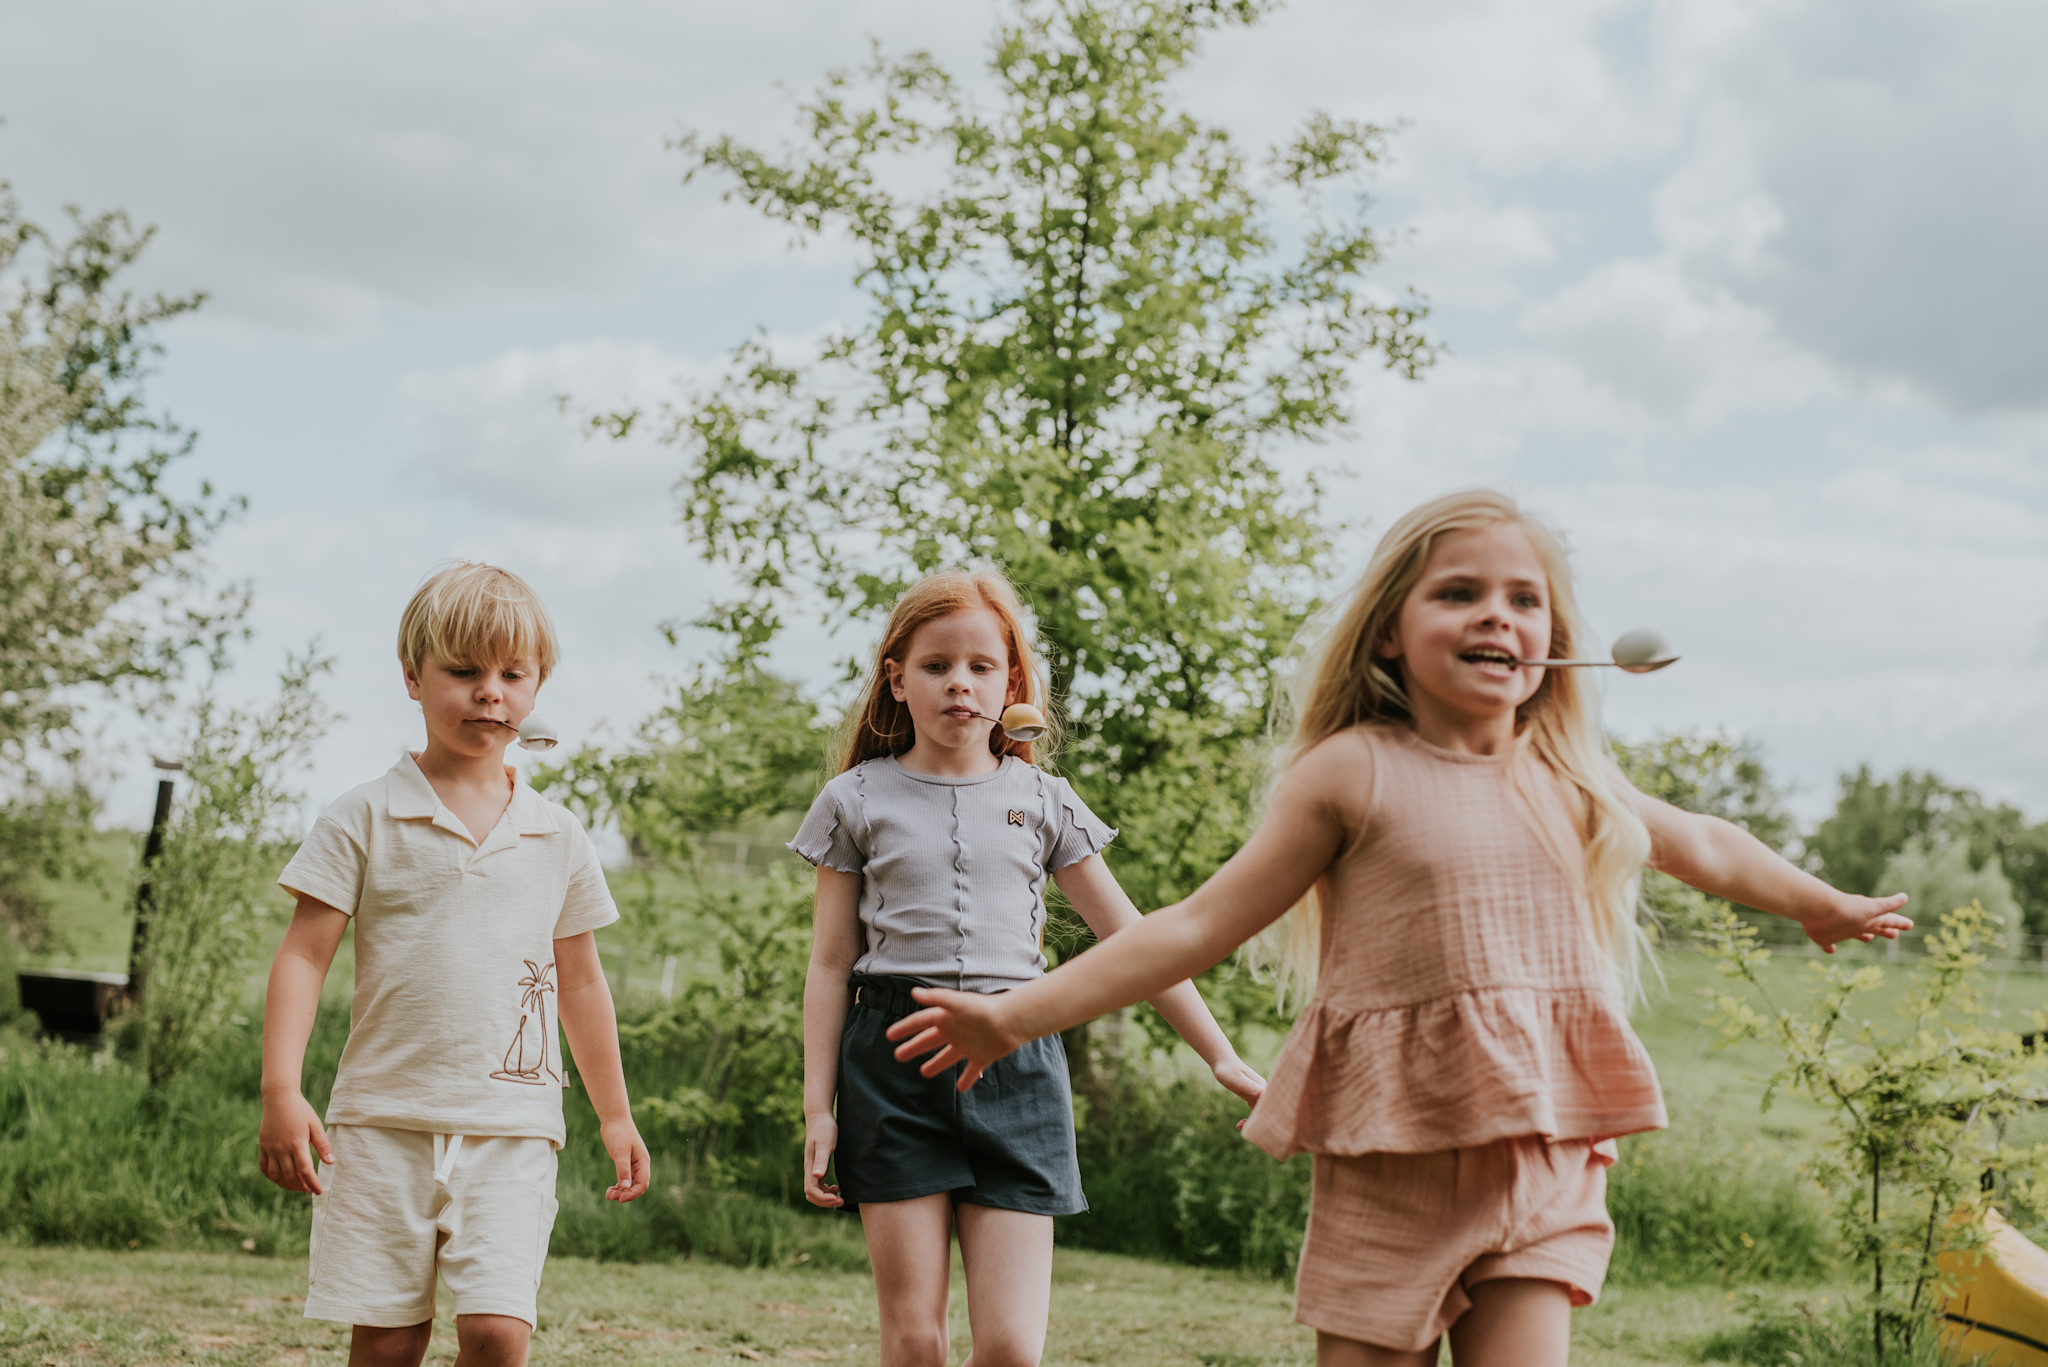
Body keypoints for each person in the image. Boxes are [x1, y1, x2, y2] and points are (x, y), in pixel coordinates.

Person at [886, 492, 1912, 1367]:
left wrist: (1815, 901)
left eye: (1522, 598)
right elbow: (1190, 926)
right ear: (1389, 629)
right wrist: (1013, 1016)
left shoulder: (1569, 777)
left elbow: (1707, 843)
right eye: (1458, 592)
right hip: (1391, 1150)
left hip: (1541, 1146)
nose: (1495, 615)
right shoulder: (1350, 771)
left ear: (1552, 638)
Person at [792, 567, 1265, 1367]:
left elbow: (1138, 938)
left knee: (1012, 1348)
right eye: (936, 666)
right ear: (896, 680)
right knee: (914, 1343)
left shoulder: (1044, 799)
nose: (959, 685)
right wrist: (819, 1108)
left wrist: (1219, 1051)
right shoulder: (853, 798)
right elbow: (831, 962)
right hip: (892, 1061)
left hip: (1019, 1063)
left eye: (982, 666)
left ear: (1012, 682)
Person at [256, 561, 650, 1367]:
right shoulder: (362, 815)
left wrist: (615, 1113)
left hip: (513, 1128)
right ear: (413, 677)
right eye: (463, 671)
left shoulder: (558, 835)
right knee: (390, 1340)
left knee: (499, 1334)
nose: (489, 692)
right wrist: (280, 1088)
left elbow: (580, 981)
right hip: (381, 1123)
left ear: (538, 686)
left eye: (512, 674)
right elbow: (303, 955)